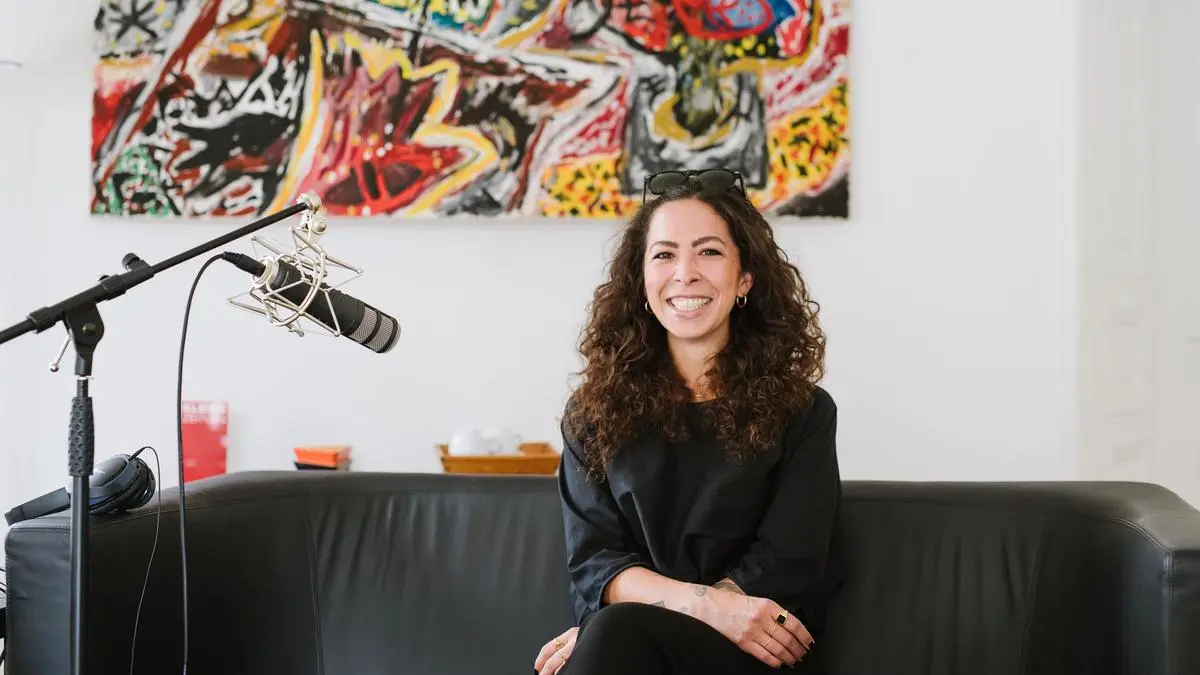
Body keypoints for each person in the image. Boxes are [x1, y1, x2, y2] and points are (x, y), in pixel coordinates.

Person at [533, 168, 845, 675]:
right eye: (664, 255)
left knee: (613, 635)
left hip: (754, 650)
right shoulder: (591, 415)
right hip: (630, 641)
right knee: (614, 636)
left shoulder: (805, 411)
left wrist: (630, 624)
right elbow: (597, 564)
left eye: (709, 251)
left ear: (745, 279)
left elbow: (787, 561)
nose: (685, 273)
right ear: (641, 281)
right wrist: (687, 609)